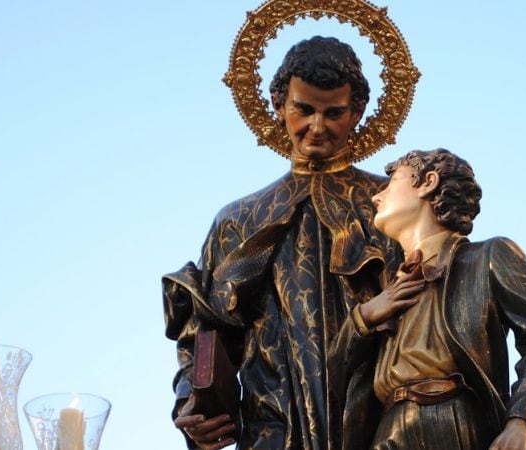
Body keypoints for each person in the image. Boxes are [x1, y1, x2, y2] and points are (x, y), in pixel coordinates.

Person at [163, 36, 401, 450]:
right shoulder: (238, 219)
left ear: (358, 112)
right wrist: (193, 401)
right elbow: (204, 334)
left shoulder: (393, 204)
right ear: (278, 104)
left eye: (334, 113)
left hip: (381, 423)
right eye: (304, 110)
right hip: (273, 427)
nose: (317, 126)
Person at [329, 149, 526, 449]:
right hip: (386, 431)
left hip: (453, 421)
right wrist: (366, 316)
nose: (376, 197)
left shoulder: (486, 258)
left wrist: (523, 421)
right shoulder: (385, 290)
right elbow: (334, 376)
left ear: (428, 182)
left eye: (392, 182)